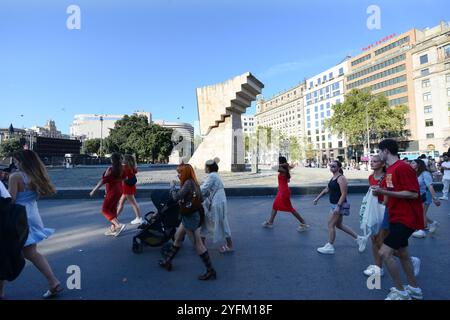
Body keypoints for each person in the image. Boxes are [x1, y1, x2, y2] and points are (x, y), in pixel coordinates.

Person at [0, 150, 62, 299]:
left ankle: (53, 281)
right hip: (33, 214)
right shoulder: (36, 176)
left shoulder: (16, 177)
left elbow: (12, 199)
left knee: (6, 253)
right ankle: (53, 281)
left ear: (22, 161)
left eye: (16, 161)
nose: (14, 164)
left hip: (18, 217)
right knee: (28, 252)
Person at [372, 139, 424, 300]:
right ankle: (415, 289)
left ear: (386, 151)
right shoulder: (390, 169)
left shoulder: (402, 168)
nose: (378, 154)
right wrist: (381, 193)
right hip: (396, 216)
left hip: (406, 218)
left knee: (384, 252)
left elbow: (413, 193)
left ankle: (401, 291)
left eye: (380, 151)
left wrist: (385, 192)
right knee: (402, 254)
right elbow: (392, 191)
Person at [159, 163, 216, 280]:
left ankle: (211, 271)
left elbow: (175, 197)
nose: (178, 175)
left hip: (190, 217)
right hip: (191, 215)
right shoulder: (194, 182)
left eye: (180, 173)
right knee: (178, 236)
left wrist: (172, 187)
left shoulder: (188, 183)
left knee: (197, 244)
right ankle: (167, 261)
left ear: (185, 173)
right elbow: (200, 198)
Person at [313, 160, 367, 254]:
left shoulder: (341, 178)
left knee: (331, 225)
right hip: (334, 205)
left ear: (339, 167)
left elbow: (344, 194)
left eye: (334, 166)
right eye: (331, 166)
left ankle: (330, 246)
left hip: (338, 205)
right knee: (338, 225)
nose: (332, 168)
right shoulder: (333, 177)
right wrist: (317, 198)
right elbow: (327, 189)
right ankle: (359, 239)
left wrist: (338, 206)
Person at [262, 156, 309, 231]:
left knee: (290, 208)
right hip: (283, 190)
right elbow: (287, 181)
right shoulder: (287, 169)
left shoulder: (282, 169)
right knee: (275, 206)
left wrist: (282, 165)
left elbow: (272, 167)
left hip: (283, 192)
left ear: (280, 162)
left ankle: (303, 223)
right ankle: (270, 222)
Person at [200, 158, 233, 253]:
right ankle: (201, 243)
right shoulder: (214, 175)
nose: (204, 168)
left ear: (208, 168)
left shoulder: (212, 176)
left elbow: (203, 189)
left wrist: (194, 189)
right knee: (207, 219)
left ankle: (230, 245)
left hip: (217, 201)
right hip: (217, 200)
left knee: (221, 222)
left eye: (205, 167)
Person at [90, 153, 126, 236]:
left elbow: (103, 181)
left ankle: (118, 225)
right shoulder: (121, 168)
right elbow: (125, 179)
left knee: (105, 210)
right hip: (119, 190)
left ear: (112, 160)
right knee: (112, 209)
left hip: (112, 192)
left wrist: (93, 190)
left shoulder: (110, 169)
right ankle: (113, 229)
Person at [410, 159, 440, 238]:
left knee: (421, 212)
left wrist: (435, 198)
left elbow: (430, 186)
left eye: (413, 163)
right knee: (419, 212)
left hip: (425, 195)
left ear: (419, 164)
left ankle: (421, 230)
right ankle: (432, 223)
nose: (411, 164)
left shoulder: (425, 173)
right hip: (418, 196)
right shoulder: (415, 173)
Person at [117, 154, 142, 225]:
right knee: (121, 202)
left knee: (133, 203)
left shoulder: (125, 168)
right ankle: (115, 216)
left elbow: (121, 176)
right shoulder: (132, 167)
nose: (122, 160)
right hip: (129, 187)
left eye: (123, 159)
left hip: (127, 189)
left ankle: (139, 218)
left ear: (126, 161)